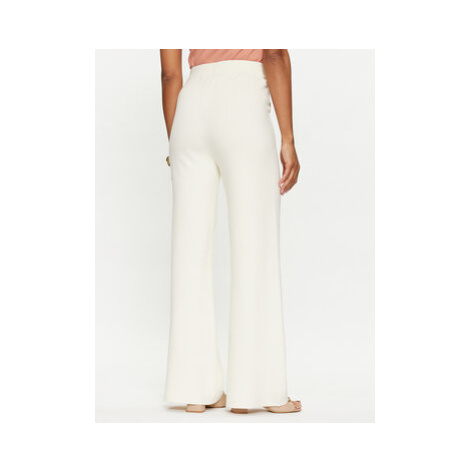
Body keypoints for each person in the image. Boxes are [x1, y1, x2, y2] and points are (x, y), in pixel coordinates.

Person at [160, 49, 301, 414]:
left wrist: (176, 140)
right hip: (242, 101)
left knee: (189, 254)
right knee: (255, 246)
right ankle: (256, 391)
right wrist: (287, 137)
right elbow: (273, 54)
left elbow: (170, 75)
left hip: (189, 109)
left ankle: (195, 390)